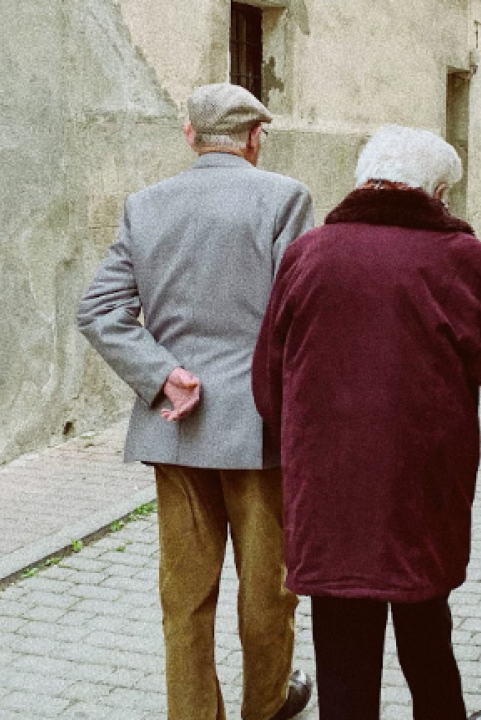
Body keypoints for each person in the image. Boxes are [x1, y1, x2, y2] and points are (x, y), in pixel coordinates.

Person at [251, 125, 481, 720]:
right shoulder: (463, 260)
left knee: (342, 648)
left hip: (329, 495)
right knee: (426, 629)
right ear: (437, 192)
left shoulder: (308, 254)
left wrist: (299, 449)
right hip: (422, 491)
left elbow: (269, 377)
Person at [78, 83, 316, 720]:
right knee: (267, 591)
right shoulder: (285, 198)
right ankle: (266, 706)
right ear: (255, 138)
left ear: (189, 136)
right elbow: (299, 316)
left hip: (176, 429)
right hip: (259, 433)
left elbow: (98, 310)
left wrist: (162, 375)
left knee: (183, 597)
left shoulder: (145, 206)